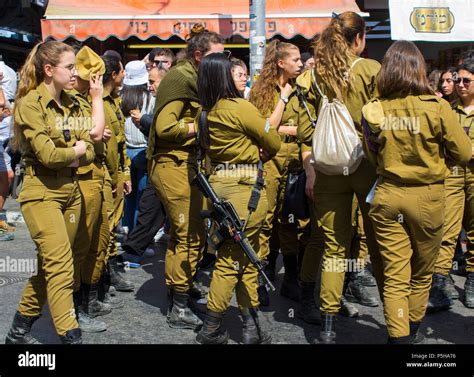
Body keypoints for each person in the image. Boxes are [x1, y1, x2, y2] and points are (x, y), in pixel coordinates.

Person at [362, 41, 472, 344]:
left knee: (395, 277)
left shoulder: (374, 108)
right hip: (428, 198)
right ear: (419, 70)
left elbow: (371, 156)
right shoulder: (437, 108)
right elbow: (463, 154)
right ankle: (411, 332)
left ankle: (399, 339)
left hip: (387, 196)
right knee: (422, 274)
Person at [297, 11, 383, 344]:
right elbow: (382, 124)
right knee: (377, 244)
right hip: (365, 166)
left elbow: (306, 127)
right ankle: (397, 324)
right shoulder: (370, 70)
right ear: (359, 39)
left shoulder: (314, 76)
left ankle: (328, 328)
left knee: (333, 247)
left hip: (328, 167)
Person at [5, 41, 95, 344]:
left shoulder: (73, 102)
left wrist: (74, 151)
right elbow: (46, 155)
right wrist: (77, 150)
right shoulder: (29, 104)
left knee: (49, 266)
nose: (75, 73)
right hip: (40, 192)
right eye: (69, 67)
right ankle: (71, 337)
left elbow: (91, 150)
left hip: (70, 190)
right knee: (61, 266)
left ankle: (18, 331)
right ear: (48, 70)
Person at [195, 52, 280, 344]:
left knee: (245, 258)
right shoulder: (240, 108)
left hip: (220, 189)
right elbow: (274, 142)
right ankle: (211, 328)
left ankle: (252, 325)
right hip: (245, 192)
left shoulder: (204, 112)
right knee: (231, 262)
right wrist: (260, 148)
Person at [147, 24, 225, 330]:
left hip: (188, 164)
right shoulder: (181, 78)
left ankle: (183, 288)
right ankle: (178, 305)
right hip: (171, 163)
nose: (223, 62)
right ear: (197, 55)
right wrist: (200, 128)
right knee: (186, 234)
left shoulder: (196, 78)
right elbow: (165, 128)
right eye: (217, 56)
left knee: (197, 234)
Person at [249, 40, 311, 307]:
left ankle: (290, 280)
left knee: (290, 221)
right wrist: (290, 129)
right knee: (265, 220)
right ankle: (260, 279)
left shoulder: (302, 89)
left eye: (300, 60)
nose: (300, 64)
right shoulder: (263, 90)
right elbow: (262, 128)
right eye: (295, 60)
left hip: (296, 162)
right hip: (271, 160)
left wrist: (285, 129)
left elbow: (307, 125)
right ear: (280, 62)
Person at [68, 46, 114, 333]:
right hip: (81, 178)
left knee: (98, 241)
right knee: (79, 247)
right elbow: (92, 136)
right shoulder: (73, 102)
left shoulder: (89, 102)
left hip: (98, 176)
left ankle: (87, 299)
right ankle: (72, 308)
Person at [100, 52, 134, 294]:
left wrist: (126, 173)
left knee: (114, 228)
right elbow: (108, 148)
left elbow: (121, 146)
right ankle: (102, 275)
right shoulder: (99, 103)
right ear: (113, 74)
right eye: (121, 70)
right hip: (106, 176)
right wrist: (114, 177)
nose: (124, 74)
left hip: (117, 174)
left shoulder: (114, 100)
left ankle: (110, 271)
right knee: (106, 229)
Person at [121, 60, 153, 231]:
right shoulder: (150, 98)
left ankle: (125, 228)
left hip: (125, 150)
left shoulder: (120, 98)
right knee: (142, 198)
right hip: (144, 151)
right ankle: (136, 235)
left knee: (127, 193)